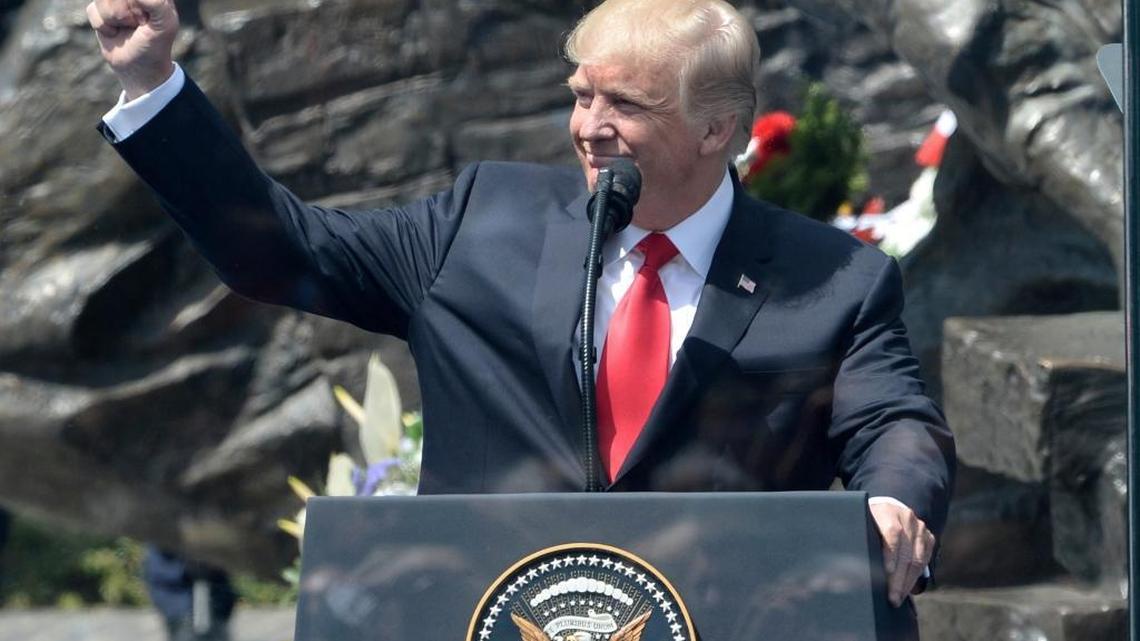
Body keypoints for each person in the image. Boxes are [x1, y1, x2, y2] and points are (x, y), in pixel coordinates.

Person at [86, 0, 955, 614]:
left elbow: (892, 422)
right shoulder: (480, 223)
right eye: (581, 95)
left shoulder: (833, 277)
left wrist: (892, 499)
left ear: (717, 129)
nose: (589, 127)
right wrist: (157, 83)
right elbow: (282, 250)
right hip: (489, 610)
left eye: (626, 105)